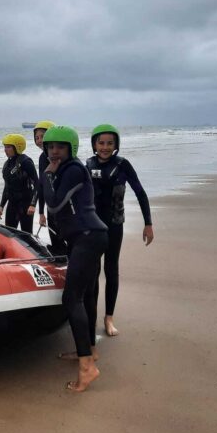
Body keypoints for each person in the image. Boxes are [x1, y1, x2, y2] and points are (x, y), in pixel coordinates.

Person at [41, 126, 108, 392]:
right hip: (86, 237)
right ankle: (88, 351)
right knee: (86, 295)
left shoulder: (73, 170)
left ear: (71, 148)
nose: (53, 152)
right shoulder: (67, 168)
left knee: (72, 298)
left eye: (59, 147)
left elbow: (55, 204)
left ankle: (87, 368)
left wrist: (47, 176)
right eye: (50, 147)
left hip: (88, 237)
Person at [86, 124, 154, 337]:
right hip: (93, 227)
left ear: (116, 145)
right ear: (94, 144)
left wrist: (148, 223)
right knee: (93, 272)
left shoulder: (123, 165)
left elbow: (140, 193)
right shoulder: (87, 164)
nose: (105, 147)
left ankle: (109, 318)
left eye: (110, 143)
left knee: (111, 269)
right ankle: (91, 318)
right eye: (101, 142)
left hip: (115, 224)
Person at [32, 120, 67, 255]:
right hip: (51, 206)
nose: (40, 140)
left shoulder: (64, 156)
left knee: (65, 238)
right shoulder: (42, 158)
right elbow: (42, 184)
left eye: (43, 136)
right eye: (37, 137)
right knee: (54, 238)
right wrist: (41, 212)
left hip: (66, 206)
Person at [0, 134, 38, 233]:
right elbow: (7, 186)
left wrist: (33, 204)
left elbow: (37, 184)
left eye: (8, 147)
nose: (5, 150)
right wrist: (2, 205)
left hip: (25, 205)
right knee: (9, 233)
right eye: (5, 147)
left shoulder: (26, 162)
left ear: (17, 147)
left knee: (27, 234)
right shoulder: (7, 164)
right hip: (12, 204)